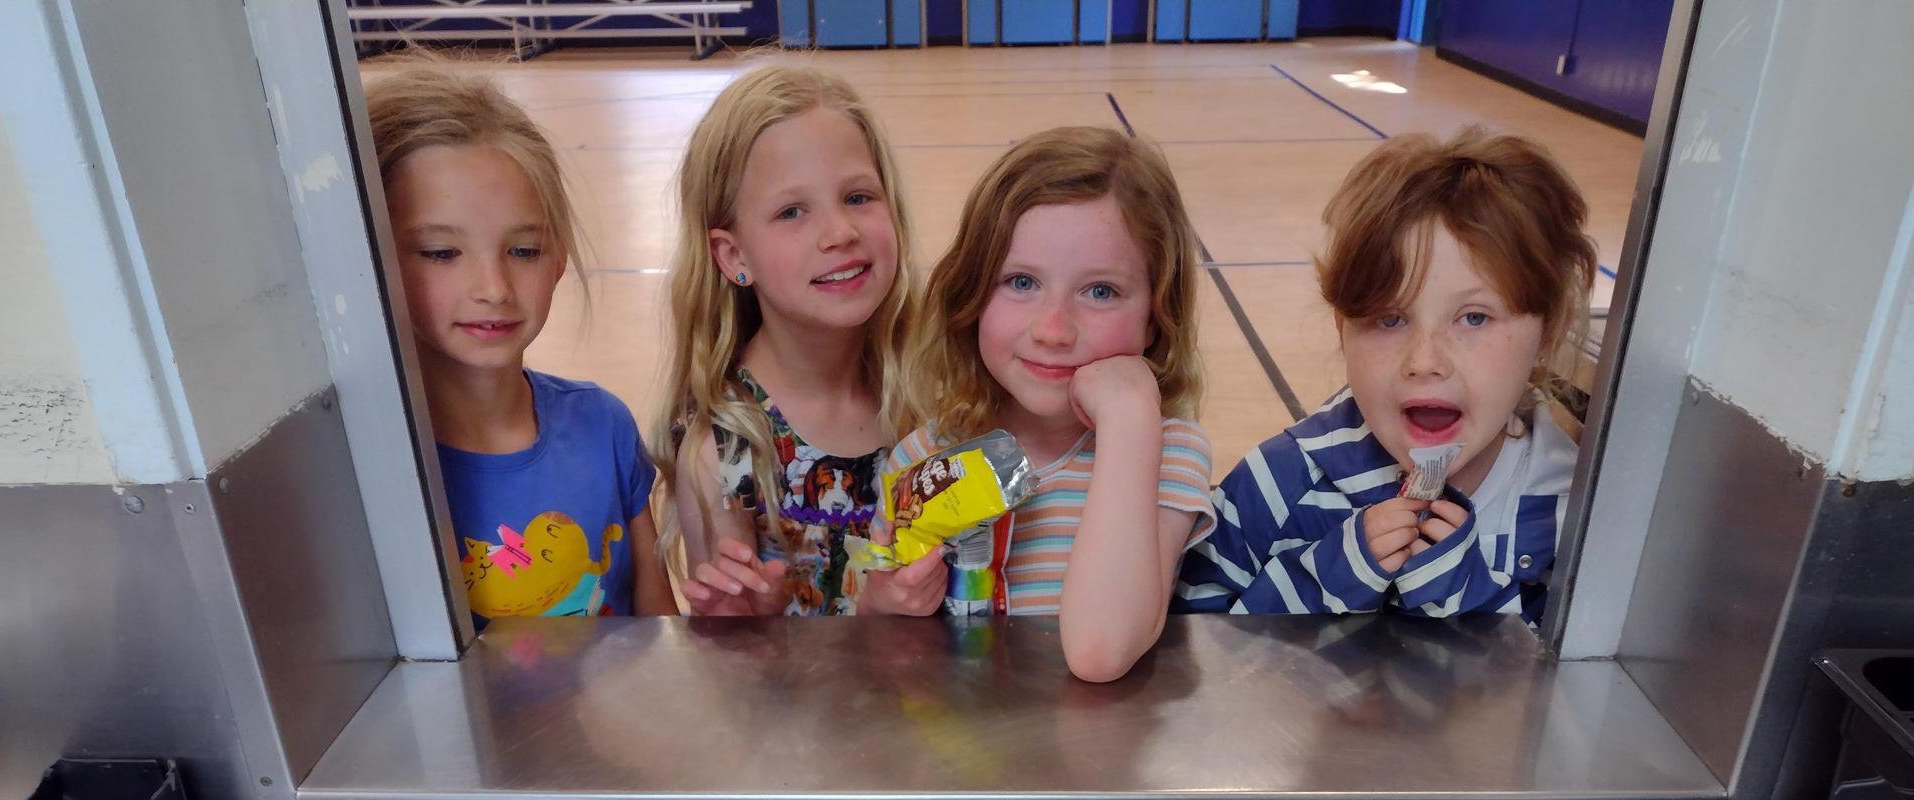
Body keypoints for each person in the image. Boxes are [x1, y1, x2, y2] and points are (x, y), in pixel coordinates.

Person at [1176, 127, 1597, 629]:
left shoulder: (1575, 515)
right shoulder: (1280, 483)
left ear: (1547, 334)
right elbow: (1192, 652)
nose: (1424, 361)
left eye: (1475, 318)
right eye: (1390, 320)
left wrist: (1472, 605)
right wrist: (1321, 580)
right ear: (1342, 328)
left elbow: (1566, 696)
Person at [892, 126, 1214, 683]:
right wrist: (888, 600)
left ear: (1157, 315)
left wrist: (1130, 420)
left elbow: (1101, 651)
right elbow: (883, 643)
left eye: (1101, 291)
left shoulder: (1165, 453)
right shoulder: (926, 455)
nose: (1054, 329)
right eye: (1021, 282)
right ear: (969, 292)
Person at [365, 59, 672, 626]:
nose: (493, 288)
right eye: (440, 253)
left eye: (523, 250)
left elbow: (660, 633)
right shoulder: (370, 470)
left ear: (558, 258)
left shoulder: (603, 426)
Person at [649, 65, 945, 618]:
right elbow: (734, 675)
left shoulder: (933, 388)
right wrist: (747, 619)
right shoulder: (728, 447)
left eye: (858, 197)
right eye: (791, 211)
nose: (840, 233)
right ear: (734, 256)